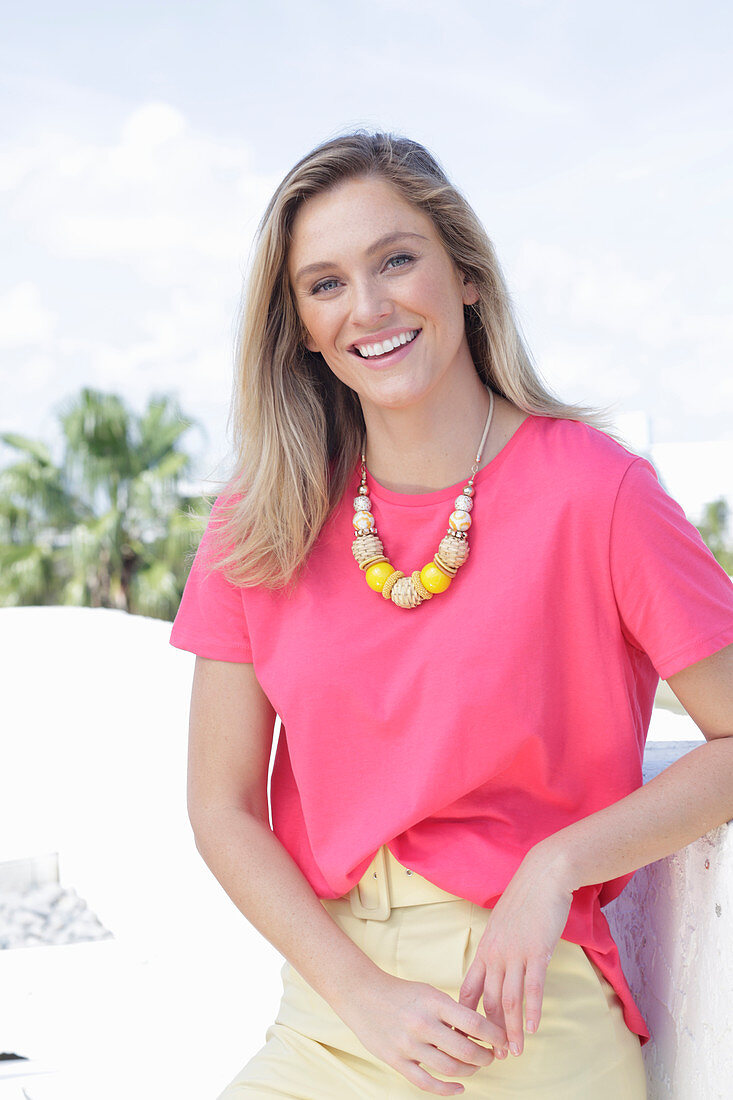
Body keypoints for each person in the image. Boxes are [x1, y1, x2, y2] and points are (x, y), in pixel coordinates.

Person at [169, 131, 733, 1099]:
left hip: (521, 1016)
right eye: (326, 283)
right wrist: (358, 991)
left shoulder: (596, 492)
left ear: (465, 274)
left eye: (396, 259)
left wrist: (557, 863)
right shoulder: (257, 519)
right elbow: (222, 805)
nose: (370, 306)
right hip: (331, 1010)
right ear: (300, 325)